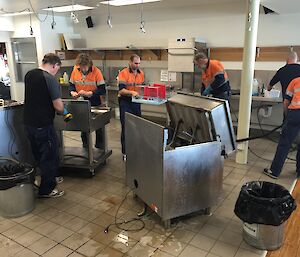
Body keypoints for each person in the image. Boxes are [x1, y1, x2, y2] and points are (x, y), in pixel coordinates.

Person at [24, 53, 65, 198]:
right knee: (50, 156)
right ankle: (47, 189)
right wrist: (63, 110)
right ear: (54, 65)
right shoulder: (49, 79)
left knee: (38, 154)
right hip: (43, 124)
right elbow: (59, 107)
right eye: (57, 69)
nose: (56, 72)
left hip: (29, 123)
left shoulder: (29, 74)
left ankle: (42, 179)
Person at [263, 75, 300, 179]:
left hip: (295, 113)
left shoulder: (295, 81)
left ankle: (274, 171)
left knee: (285, 144)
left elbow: (286, 101)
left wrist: (286, 116)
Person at [69, 53, 106, 148]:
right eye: (82, 67)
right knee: (83, 126)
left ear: (89, 65)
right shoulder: (75, 71)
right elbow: (71, 85)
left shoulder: (96, 72)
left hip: (96, 102)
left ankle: (100, 148)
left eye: (86, 67)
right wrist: (72, 92)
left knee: (99, 127)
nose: (84, 69)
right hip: (82, 103)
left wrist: (91, 93)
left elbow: (102, 90)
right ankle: (86, 147)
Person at [118, 54, 144, 160]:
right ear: (130, 62)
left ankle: (135, 150)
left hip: (136, 103)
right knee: (126, 127)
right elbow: (121, 90)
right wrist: (131, 92)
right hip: (125, 102)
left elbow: (141, 87)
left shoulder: (141, 73)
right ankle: (125, 152)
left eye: (139, 63)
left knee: (136, 127)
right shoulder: (123, 73)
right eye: (135, 63)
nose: (137, 65)